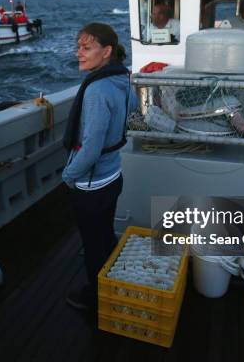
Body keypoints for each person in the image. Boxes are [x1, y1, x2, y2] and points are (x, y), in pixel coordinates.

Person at [62, 23, 138, 311]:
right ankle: (111, 284)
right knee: (106, 236)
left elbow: (90, 148)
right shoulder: (123, 79)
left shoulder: (97, 90)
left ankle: (96, 299)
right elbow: (132, 115)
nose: (78, 53)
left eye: (86, 47)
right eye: (78, 47)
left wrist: (68, 176)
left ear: (106, 52)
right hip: (113, 176)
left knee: (93, 246)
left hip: (92, 185)